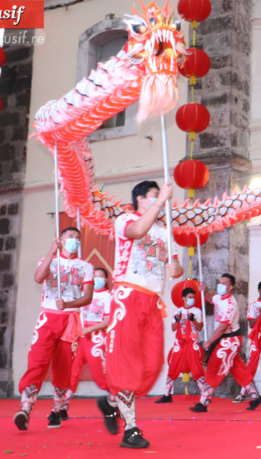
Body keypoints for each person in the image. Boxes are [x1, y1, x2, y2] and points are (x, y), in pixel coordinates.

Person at [97, 181, 183, 449]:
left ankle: (111, 402)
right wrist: (160, 203)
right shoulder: (125, 218)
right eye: (153, 196)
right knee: (126, 364)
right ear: (140, 199)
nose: (159, 200)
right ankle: (131, 430)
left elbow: (176, 265)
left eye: (160, 196)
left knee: (151, 364)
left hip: (152, 302)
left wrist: (176, 269)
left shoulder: (164, 232)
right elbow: (136, 231)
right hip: (128, 297)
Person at [14, 227, 94, 431]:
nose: (74, 241)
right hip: (48, 319)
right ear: (61, 239)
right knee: (37, 362)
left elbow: (88, 297)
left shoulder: (85, 266)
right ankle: (25, 408)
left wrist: (68, 304)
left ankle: (57, 410)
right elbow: (38, 278)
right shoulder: (49, 260)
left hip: (70, 320)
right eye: (70, 237)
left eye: (77, 238)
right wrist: (51, 252)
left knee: (63, 366)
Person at [195, 273, 261, 412]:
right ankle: (256, 397)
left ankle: (203, 402)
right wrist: (204, 290)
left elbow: (222, 327)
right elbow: (210, 298)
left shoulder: (231, 304)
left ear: (231, 287)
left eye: (224, 283)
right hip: (228, 341)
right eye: (220, 282)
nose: (220, 285)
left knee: (214, 368)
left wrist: (209, 342)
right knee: (238, 370)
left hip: (228, 341)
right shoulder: (219, 298)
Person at [62, 268, 114, 417]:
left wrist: (89, 329)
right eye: (94, 276)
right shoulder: (83, 296)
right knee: (72, 372)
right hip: (80, 338)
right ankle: (63, 407)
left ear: (105, 280)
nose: (97, 279)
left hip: (96, 339)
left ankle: (116, 401)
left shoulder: (108, 296)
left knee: (100, 375)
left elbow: (108, 320)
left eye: (100, 276)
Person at [154, 287, 207, 408]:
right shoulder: (177, 311)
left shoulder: (197, 311)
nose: (192, 299)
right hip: (180, 343)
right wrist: (177, 321)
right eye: (189, 297)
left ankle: (205, 395)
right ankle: (167, 394)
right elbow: (173, 328)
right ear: (183, 298)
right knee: (173, 366)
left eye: (193, 297)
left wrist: (193, 320)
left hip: (192, 342)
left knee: (196, 367)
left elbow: (199, 328)